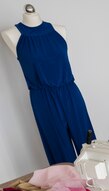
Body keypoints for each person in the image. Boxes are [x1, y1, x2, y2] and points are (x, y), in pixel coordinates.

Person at [2, 5, 95, 165]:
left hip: (70, 92)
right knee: (58, 148)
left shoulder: (59, 30)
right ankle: (70, 188)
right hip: (43, 98)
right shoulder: (12, 35)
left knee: (88, 145)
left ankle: (100, 183)